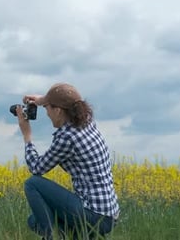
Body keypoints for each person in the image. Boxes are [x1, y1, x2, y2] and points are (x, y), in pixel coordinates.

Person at [15, 83, 119, 240]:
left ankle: (52, 237)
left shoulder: (67, 137)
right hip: (109, 216)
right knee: (34, 221)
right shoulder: (86, 120)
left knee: (32, 183)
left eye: (47, 109)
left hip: (93, 215)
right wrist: (43, 100)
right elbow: (73, 99)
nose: (47, 113)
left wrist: (27, 135)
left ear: (57, 111)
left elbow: (37, 168)